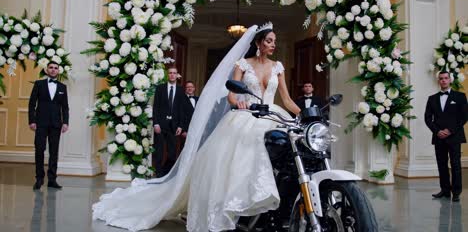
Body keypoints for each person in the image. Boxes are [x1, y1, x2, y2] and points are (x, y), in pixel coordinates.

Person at [92, 23, 301, 232]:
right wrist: (239, 101)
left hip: (271, 116)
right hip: (246, 115)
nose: (273, 45)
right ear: (258, 43)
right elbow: (231, 95)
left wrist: (306, 115)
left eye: (274, 41)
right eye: (269, 41)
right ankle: (234, 209)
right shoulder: (243, 64)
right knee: (237, 159)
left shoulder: (278, 67)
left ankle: (270, 210)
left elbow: (287, 99)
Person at [424, 71, 467, 202]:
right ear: (438, 81)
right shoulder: (432, 98)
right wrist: (437, 131)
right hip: (439, 137)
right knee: (441, 164)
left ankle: (456, 192)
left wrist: (450, 130)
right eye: (441, 78)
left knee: (455, 164)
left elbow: (464, 116)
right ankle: (445, 190)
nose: (443, 80)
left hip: (454, 136)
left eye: (446, 78)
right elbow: (427, 118)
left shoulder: (460, 96)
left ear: (450, 80)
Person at [28, 61, 69, 190]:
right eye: (51, 67)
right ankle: (39, 179)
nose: (53, 70)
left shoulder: (63, 87)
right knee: (39, 150)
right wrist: (32, 121)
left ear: (58, 71)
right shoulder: (39, 84)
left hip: (56, 124)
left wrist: (66, 122)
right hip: (40, 123)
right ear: (47, 70)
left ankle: (52, 179)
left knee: (54, 152)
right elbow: (31, 104)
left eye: (55, 68)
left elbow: (65, 107)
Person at [153, 67, 188, 177]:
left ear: (177, 75)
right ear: (167, 75)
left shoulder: (181, 90)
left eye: (174, 73)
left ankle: (167, 172)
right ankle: (158, 173)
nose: (172, 75)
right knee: (159, 151)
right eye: (170, 73)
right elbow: (156, 107)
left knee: (172, 153)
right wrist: (156, 123)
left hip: (174, 126)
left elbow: (182, 109)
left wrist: (181, 126)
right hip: (161, 125)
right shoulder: (160, 88)